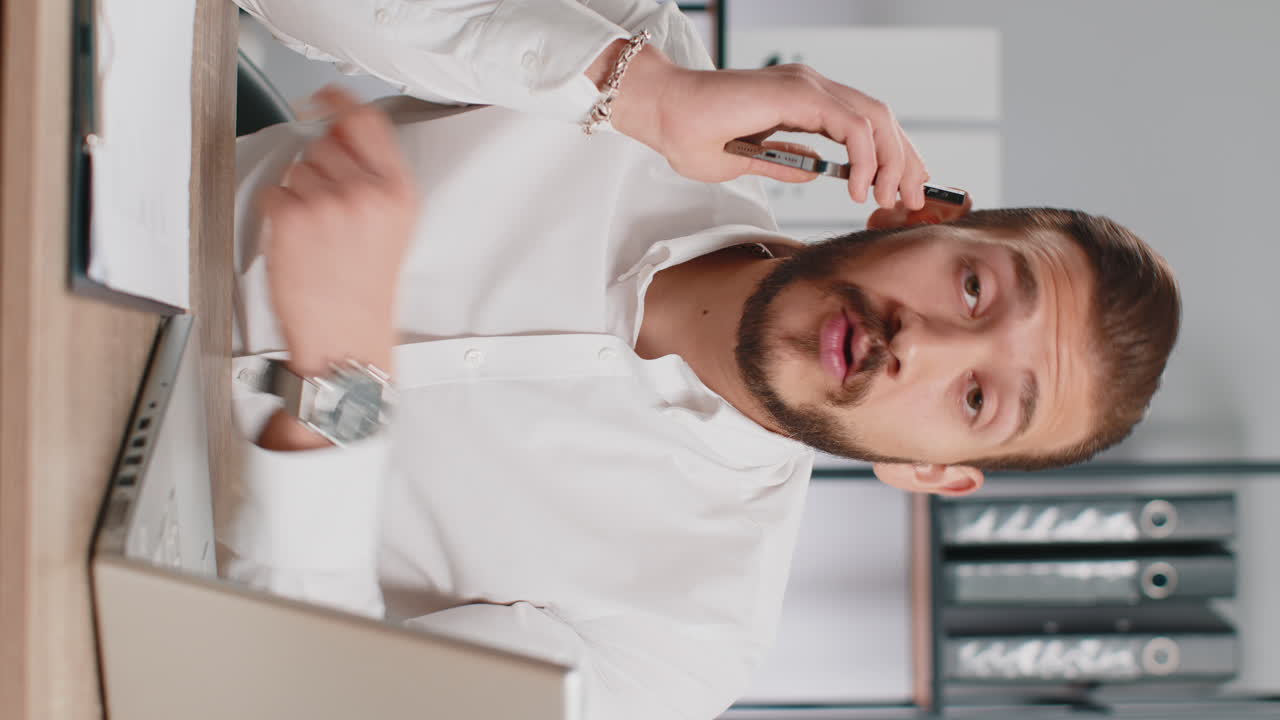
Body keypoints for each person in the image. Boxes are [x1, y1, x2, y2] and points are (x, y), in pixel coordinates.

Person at [222, 1, 1181, 718]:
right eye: (973, 289)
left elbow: (307, 701)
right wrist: (634, 89)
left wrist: (342, 379)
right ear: (918, 212)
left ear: (928, 472)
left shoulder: (683, 646)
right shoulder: (648, 62)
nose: (918, 344)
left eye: (977, 398)